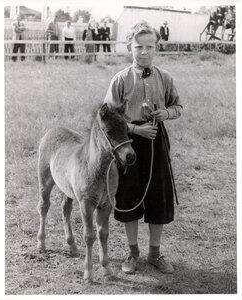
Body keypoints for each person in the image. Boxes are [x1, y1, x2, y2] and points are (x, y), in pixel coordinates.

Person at [103, 21, 182, 275]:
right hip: (128, 147)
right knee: (130, 196)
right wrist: (136, 130)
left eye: (150, 47)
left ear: (156, 48)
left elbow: (179, 107)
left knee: (158, 197)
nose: (144, 52)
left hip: (157, 142)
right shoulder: (121, 79)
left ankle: (155, 253)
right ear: (130, 47)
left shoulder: (165, 78)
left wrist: (166, 113)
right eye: (139, 47)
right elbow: (107, 118)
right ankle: (133, 252)